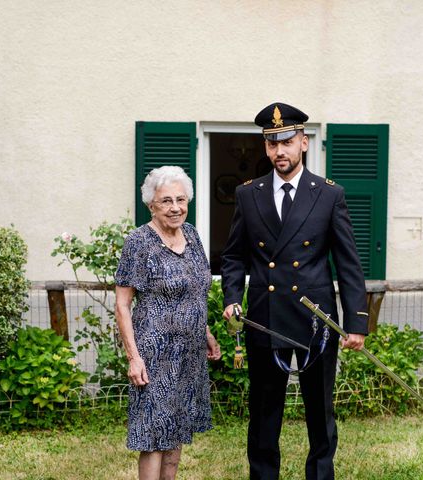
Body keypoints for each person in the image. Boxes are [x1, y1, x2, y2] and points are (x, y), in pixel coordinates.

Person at [221, 102, 369, 480]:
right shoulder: (248, 194)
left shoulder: (328, 195)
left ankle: (320, 475)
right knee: (264, 411)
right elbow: (234, 257)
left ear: (303, 142)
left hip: (315, 321)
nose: (278, 152)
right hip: (265, 318)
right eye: (271, 144)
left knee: (320, 412)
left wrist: (356, 322)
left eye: (286, 142)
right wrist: (233, 299)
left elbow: (348, 262)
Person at [115, 165, 221, 480]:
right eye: (166, 201)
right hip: (154, 354)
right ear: (152, 205)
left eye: (180, 199)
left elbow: (194, 292)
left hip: (189, 353)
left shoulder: (191, 235)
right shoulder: (139, 241)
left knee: (177, 427)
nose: (175, 208)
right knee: (154, 434)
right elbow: (122, 304)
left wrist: (207, 334)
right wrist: (133, 358)